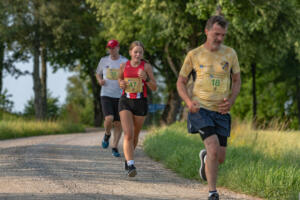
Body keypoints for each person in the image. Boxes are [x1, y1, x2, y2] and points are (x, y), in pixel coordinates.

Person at [176, 15, 241, 200]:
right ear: (207, 31)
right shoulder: (194, 55)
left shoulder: (230, 54)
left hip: (221, 111)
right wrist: (189, 102)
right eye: (216, 34)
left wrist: (231, 101)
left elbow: (236, 81)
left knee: (219, 157)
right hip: (200, 109)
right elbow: (181, 82)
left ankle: (205, 159)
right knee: (213, 148)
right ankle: (213, 192)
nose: (220, 38)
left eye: (223, 35)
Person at [118, 41, 157, 177]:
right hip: (126, 101)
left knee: (135, 135)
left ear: (142, 54)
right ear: (130, 53)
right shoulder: (124, 65)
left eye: (140, 52)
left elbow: (154, 87)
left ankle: (128, 158)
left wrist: (146, 79)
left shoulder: (146, 67)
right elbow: (119, 79)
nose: (138, 54)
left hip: (140, 102)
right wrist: (121, 83)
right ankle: (131, 165)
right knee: (128, 134)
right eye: (135, 52)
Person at [96, 39, 128, 157]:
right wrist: (100, 80)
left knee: (118, 124)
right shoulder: (104, 60)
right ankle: (107, 133)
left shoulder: (124, 61)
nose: (111, 50)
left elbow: (130, 75)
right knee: (109, 118)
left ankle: (114, 147)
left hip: (121, 96)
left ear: (118, 48)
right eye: (109, 48)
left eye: (113, 47)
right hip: (106, 94)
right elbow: (98, 73)